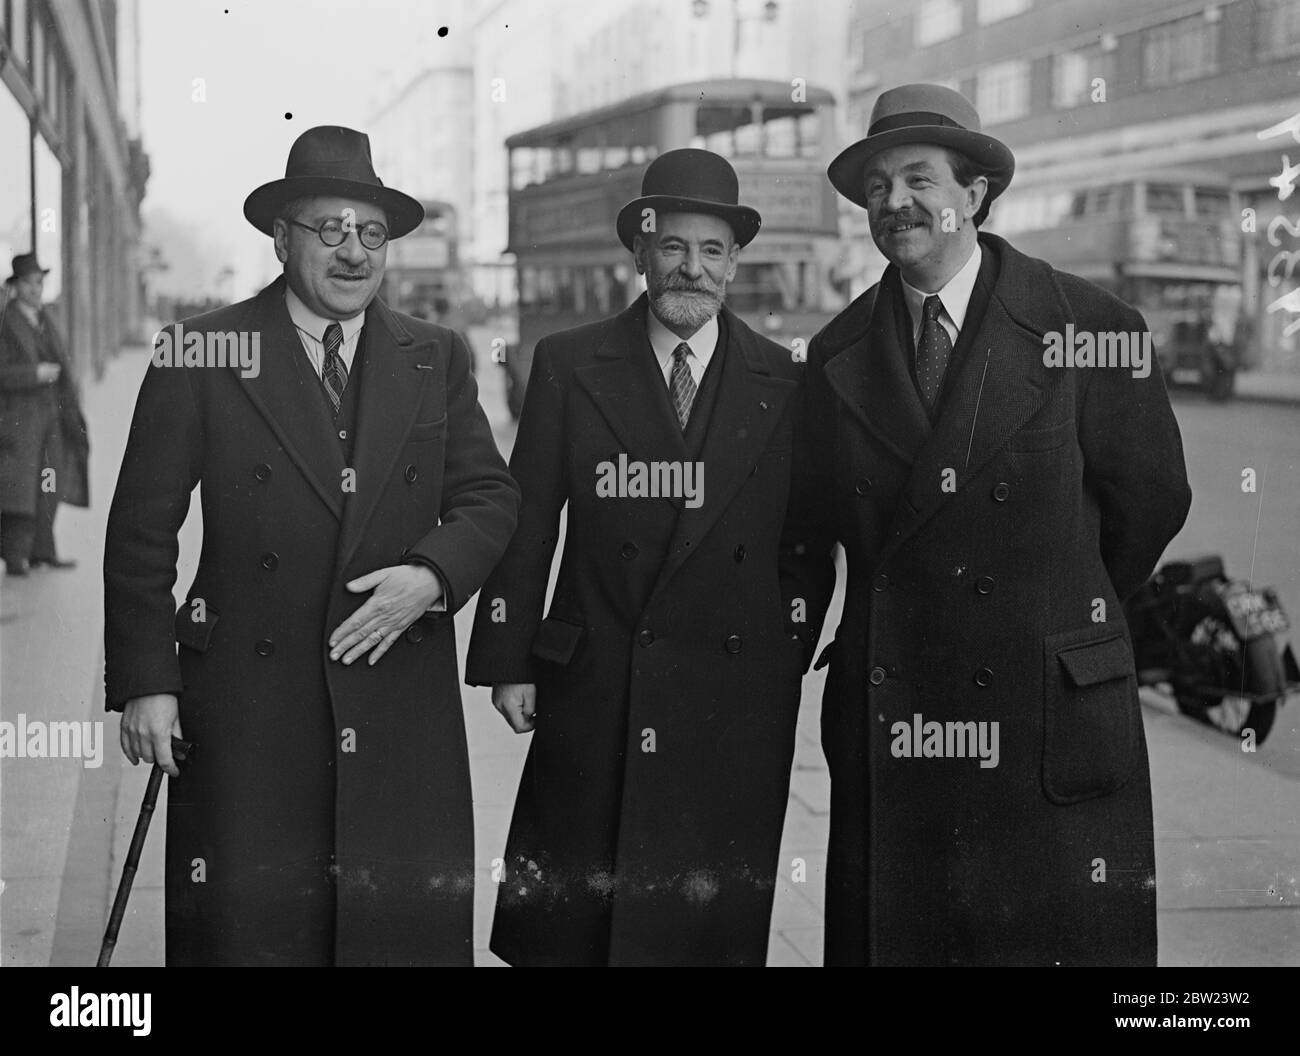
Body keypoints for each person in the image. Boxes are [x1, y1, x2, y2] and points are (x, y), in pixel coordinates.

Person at [788, 85, 1193, 966]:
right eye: (879, 186)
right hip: (901, 717)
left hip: (1044, 712)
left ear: (973, 196)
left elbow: (1151, 502)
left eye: (919, 179)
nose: (896, 203)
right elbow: (816, 523)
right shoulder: (835, 354)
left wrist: (1057, 610)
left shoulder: (1091, 327)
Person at [103, 125, 519, 966]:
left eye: (371, 233)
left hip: (396, 695)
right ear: (282, 237)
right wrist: (148, 682)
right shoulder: (201, 351)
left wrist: (431, 576)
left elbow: (489, 494)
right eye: (330, 229)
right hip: (251, 706)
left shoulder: (434, 356)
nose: (354, 252)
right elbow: (141, 530)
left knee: (392, 930)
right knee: (258, 932)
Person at [466, 148, 826, 966]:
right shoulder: (568, 362)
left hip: (729, 699)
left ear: (735, 263)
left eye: (710, 251)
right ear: (641, 255)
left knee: (703, 923)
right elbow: (531, 521)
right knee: (580, 915)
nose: (690, 269)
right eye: (672, 247)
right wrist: (509, 659)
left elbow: (806, 542)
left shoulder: (783, 379)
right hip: (598, 680)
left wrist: (776, 656)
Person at [0, 254, 88, 575]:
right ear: (17, 286)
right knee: (18, 489)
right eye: (29, 283)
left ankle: (42, 552)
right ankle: (15, 557)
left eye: (39, 282)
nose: (36, 289)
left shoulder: (44, 319)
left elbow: (63, 365)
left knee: (49, 482)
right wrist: (34, 373)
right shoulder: (6, 321)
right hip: (19, 420)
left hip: (52, 417)